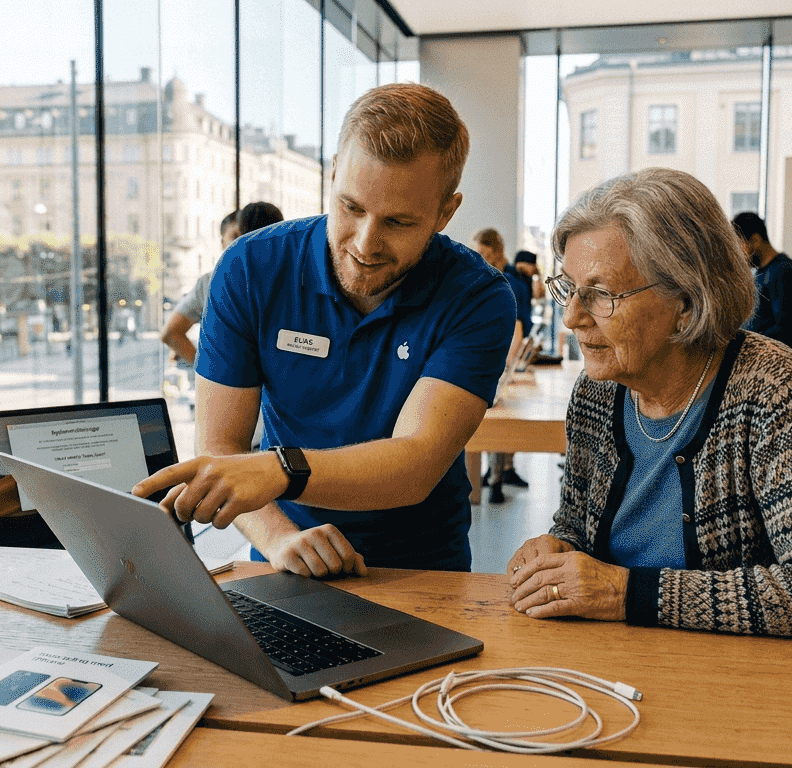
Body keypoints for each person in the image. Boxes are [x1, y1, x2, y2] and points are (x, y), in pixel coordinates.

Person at [133, 83, 516, 576]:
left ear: (446, 212)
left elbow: (415, 464)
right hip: (283, 557)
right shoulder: (250, 269)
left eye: (398, 222)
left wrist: (278, 469)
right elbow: (220, 445)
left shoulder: (477, 296)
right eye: (352, 207)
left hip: (422, 570)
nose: (365, 242)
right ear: (334, 173)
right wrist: (280, 540)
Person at [505, 168, 792, 639]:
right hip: (611, 672)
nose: (573, 317)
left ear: (685, 302)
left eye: (599, 294)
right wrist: (559, 548)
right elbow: (579, 526)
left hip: (740, 683)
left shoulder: (771, 387)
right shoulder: (597, 394)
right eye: (569, 289)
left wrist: (628, 593)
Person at [161, 203, 286, 367]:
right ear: (222, 242)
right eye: (235, 237)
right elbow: (171, 333)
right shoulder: (209, 283)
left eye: (246, 234)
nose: (243, 242)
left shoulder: (212, 281)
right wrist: (209, 369)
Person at [472, 227, 526, 503]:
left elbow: (516, 328)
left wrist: (507, 364)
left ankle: (495, 478)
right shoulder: (494, 278)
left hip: (501, 359)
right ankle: (494, 475)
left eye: (484, 253)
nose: (480, 258)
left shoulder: (507, 282)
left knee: (496, 418)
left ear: (496, 251)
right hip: (496, 356)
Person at [733, 212, 792, 356]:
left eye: (740, 245)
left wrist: (748, 341)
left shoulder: (783, 272)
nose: (738, 254)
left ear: (755, 240)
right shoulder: (764, 273)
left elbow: (788, 327)